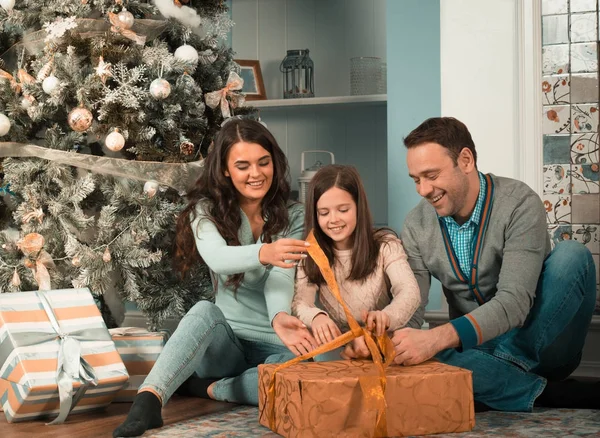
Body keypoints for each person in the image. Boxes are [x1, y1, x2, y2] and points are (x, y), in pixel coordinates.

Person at [342, 117, 598, 412]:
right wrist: (381, 344)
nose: (423, 190)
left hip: (544, 343)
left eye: (431, 175)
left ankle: (493, 374)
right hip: (475, 346)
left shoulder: (519, 203)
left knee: (572, 256)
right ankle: (537, 391)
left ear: (465, 160)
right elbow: (411, 307)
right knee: (416, 355)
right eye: (416, 179)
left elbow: (514, 304)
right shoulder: (416, 224)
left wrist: (436, 340)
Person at [113, 119, 318, 437]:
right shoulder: (203, 211)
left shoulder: (293, 215)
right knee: (203, 311)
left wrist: (279, 317)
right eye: (243, 165)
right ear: (225, 170)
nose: (256, 174)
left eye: (264, 163)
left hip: (275, 345)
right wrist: (263, 252)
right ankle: (148, 402)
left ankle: (211, 389)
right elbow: (219, 259)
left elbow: (282, 275)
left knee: (301, 379)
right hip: (225, 346)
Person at [292, 164, 420, 354]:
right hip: (343, 349)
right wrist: (316, 317)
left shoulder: (387, 245)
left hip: (386, 344)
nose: (333, 219)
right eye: (324, 213)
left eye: (343, 210)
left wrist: (386, 317)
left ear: (359, 207)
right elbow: (300, 302)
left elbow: (409, 291)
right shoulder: (311, 254)